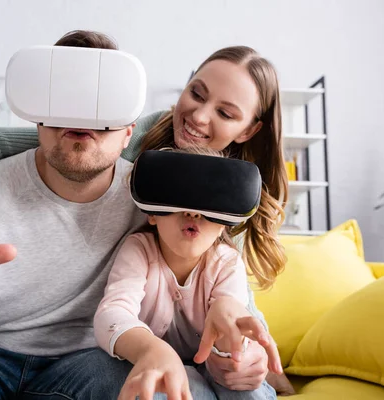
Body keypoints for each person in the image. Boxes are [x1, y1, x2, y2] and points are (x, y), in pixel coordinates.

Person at [0, 30, 282, 399]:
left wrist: (243, 353)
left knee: (175, 389)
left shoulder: (160, 200)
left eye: (102, 114)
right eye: (65, 108)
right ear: (38, 117)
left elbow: (223, 289)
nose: (83, 123)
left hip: (95, 360)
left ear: (129, 130)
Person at [96, 147, 281, 400]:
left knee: (247, 390)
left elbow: (230, 319)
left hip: (211, 366)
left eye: (209, 203)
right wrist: (151, 351)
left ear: (223, 225)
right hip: (152, 361)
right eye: (179, 197)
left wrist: (230, 339)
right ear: (152, 213)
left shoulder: (227, 262)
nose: (193, 212)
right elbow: (113, 313)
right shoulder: (139, 250)